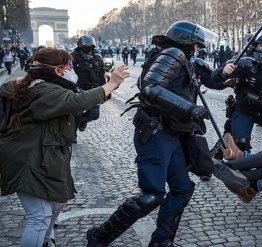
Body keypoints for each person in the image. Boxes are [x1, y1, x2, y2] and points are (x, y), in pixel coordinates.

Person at [86, 20, 218, 247]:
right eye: (196, 45)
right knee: (152, 195)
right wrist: (190, 108)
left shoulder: (180, 57)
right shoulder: (173, 53)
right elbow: (151, 88)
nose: (198, 50)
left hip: (173, 133)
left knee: (182, 189)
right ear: (187, 41)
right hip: (157, 133)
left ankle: (161, 241)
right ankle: (99, 237)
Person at [0, 47, 129, 247]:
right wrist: (111, 83)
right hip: (28, 159)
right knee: (39, 216)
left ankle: (45, 240)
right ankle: (41, 239)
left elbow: (80, 96)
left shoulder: (47, 85)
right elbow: (77, 101)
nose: (72, 68)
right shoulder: (43, 90)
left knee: (57, 203)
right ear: (58, 70)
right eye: (69, 65)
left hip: (43, 156)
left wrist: (110, 87)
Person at [71, 35, 107, 143]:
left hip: (93, 88)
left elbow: (101, 74)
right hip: (78, 89)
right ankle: (73, 133)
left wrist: (104, 88)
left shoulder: (97, 58)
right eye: (86, 45)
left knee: (94, 114)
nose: (88, 47)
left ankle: (83, 122)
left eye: (90, 45)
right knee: (77, 114)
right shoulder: (73, 57)